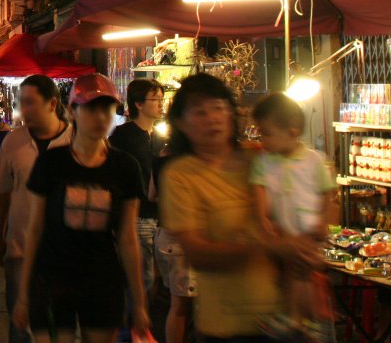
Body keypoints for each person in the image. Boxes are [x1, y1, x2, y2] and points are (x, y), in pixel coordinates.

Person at [13, 74, 149, 343]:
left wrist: (139, 301)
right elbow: (35, 228)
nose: (100, 117)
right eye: (91, 109)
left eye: (107, 109)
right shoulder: (51, 163)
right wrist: (24, 295)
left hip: (102, 281)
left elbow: (127, 238)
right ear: (72, 111)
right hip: (52, 279)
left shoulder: (125, 167)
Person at [160, 73, 291, 343]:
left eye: (219, 107)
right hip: (224, 325)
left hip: (280, 318)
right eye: (199, 112)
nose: (212, 118)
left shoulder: (260, 158)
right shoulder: (180, 175)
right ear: (181, 123)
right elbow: (198, 254)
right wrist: (266, 245)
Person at [0, 74, 73, 343]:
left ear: (52, 103)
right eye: (21, 102)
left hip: (67, 251)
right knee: (21, 325)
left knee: (64, 326)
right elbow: (1, 192)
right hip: (21, 247)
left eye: (29, 103)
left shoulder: (79, 140)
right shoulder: (13, 141)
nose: (23, 109)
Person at [250, 93, 337, 340]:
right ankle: (304, 319)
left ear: (292, 131)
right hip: (284, 229)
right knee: (292, 271)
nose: (262, 139)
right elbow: (258, 189)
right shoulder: (263, 161)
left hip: (309, 229)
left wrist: (323, 222)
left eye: (266, 133)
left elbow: (327, 194)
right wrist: (263, 217)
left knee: (302, 271)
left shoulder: (314, 160)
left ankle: (301, 319)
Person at [110, 78, 164, 301]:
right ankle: (132, 328)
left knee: (153, 279)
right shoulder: (123, 136)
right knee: (142, 278)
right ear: (139, 104)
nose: (161, 104)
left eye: (162, 99)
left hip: (158, 216)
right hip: (135, 215)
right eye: (156, 99)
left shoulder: (159, 136)